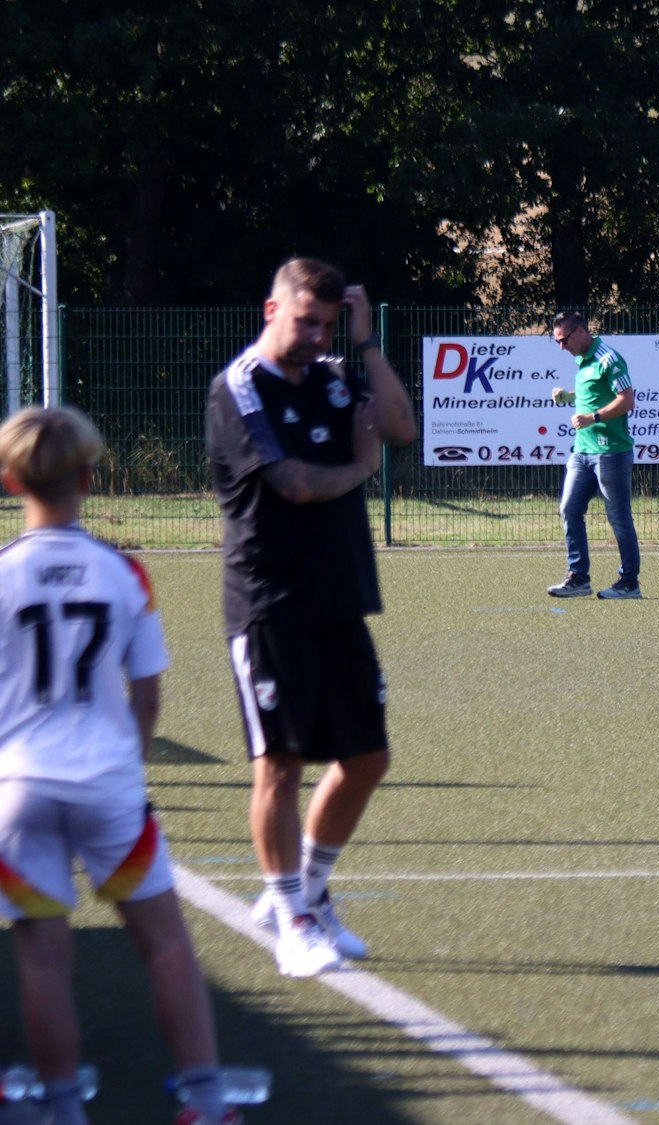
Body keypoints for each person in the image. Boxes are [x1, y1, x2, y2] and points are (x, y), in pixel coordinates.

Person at [2, 407, 240, 1125]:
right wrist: (124, 767)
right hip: (108, 782)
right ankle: (204, 1099)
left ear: (10, 480)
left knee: (42, 959)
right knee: (165, 944)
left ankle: (63, 1107)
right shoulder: (125, 572)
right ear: (88, 477)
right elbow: (148, 695)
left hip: (20, 784)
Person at [207, 257, 417, 978]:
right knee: (280, 765)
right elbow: (293, 483)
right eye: (306, 322)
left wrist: (365, 342)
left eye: (327, 325)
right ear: (272, 311)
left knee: (367, 759)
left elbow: (401, 427)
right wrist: (360, 469)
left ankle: (311, 891)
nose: (316, 337)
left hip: (340, 597)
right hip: (270, 604)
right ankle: (290, 914)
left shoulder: (332, 375)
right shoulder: (240, 387)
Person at [547, 311, 641, 597]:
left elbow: (627, 400)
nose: (561, 347)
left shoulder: (608, 358)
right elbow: (595, 392)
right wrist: (569, 397)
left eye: (563, 340)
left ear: (579, 332)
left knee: (619, 518)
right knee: (569, 509)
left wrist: (594, 417)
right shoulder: (582, 360)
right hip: (582, 452)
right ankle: (578, 578)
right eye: (557, 342)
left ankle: (629, 582)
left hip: (610, 452)